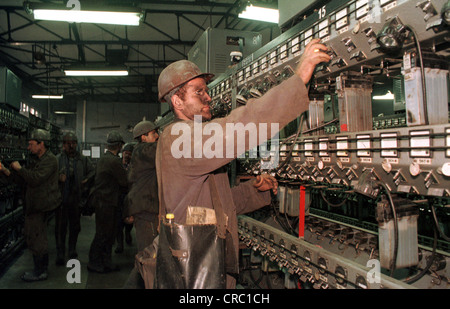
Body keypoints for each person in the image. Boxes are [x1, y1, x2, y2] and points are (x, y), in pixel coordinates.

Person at [155, 39, 330, 288]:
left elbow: (213, 206)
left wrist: (252, 192)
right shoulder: (179, 138)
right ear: (177, 101)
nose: (208, 97)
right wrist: (297, 79)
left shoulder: (193, 142)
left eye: (207, 90)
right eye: (199, 92)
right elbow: (237, 128)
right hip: (193, 271)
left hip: (205, 261)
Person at [0, 129, 61, 282]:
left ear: (41, 144)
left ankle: (40, 271)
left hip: (40, 206)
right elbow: (24, 181)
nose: (28, 147)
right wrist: (6, 170)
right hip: (34, 205)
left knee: (37, 238)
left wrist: (19, 168)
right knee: (33, 237)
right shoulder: (38, 160)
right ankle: (39, 269)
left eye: (31, 144)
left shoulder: (50, 160)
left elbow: (34, 179)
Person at [87, 130, 128, 273]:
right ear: (119, 145)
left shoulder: (104, 158)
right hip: (107, 202)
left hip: (103, 201)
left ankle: (105, 261)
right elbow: (124, 181)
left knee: (107, 233)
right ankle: (95, 262)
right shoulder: (113, 161)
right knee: (103, 234)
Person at [55, 131, 95, 265]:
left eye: (73, 143)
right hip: (61, 199)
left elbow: (92, 171)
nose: (71, 146)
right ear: (63, 145)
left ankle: (72, 249)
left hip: (76, 198)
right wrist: (58, 178)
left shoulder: (82, 159)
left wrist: (86, 179)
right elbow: (49, 176)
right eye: (68, 143)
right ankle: (60, 252)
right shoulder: (58, 159)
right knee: (60, 227)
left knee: (75, 226)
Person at [125, 121, 160, 252]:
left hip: (144, 207)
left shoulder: (141, 152)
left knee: (149, 251)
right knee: (148, 252)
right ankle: (141, 273)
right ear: (143, 137)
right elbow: (165, 149)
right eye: (153, 133)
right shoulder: (143, 150)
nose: (157, 136)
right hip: (146, 209)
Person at [115, 142, 135, 253]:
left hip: (130, 196)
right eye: (125, 153)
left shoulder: (135, 166)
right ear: (122, 153)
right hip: (119, 197)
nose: (127, 156)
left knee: (129, 220)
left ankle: (128, 233)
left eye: (129, 154)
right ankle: (120, 244)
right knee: (118, 221)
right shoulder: (117, 164)